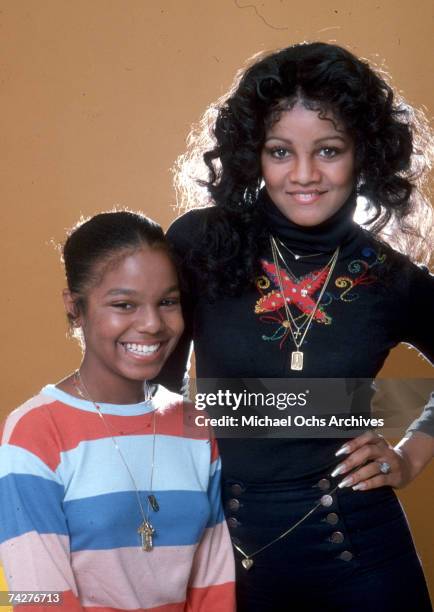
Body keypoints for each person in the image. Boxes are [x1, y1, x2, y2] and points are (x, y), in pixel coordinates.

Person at [160, 42, 434, 611]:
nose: (304, 175)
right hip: (222, 560)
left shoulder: (387, 276)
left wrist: (409, 456)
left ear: (364, 154)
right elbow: (151, 395)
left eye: (328, 151)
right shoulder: (201, 244)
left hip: (364, 561)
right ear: (252, 155)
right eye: (280, 151)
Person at [0, 211, 235, 611]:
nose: (152, 324)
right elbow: (37, 598)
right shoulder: (35, 430)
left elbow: (213, 584)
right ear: (75, 307)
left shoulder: (195, 424)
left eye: (167, 302)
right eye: (124, 304)